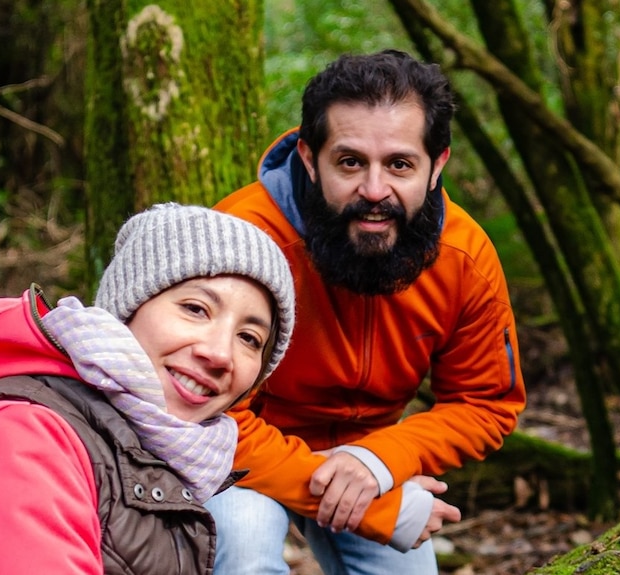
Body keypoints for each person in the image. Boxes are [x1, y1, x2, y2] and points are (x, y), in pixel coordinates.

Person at [204, 48, 527, 574]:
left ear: (436, 164)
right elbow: (198, 409)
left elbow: (486, 401)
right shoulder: (241, 240)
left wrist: (379, 461)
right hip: (241, 452)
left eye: (399, 164)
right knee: (244, 548)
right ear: (310, 159)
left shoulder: (465, 259)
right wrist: (360, 498)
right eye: (350, 162)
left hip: (373, 454)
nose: (375, 191)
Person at [0, 203, 296, 575]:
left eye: (249, 338)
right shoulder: (23, 432)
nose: (220, 353)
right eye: (195, 309)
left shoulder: (155, 459)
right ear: (127, 310)